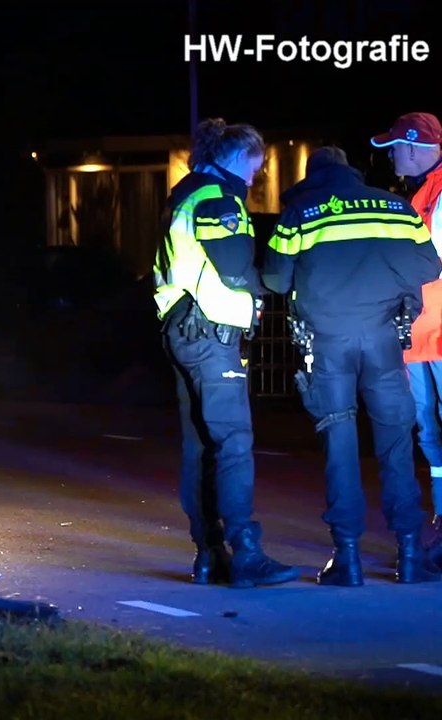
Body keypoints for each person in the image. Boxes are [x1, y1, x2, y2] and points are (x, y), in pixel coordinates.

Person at [263, 146, 442, 585]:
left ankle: (348, 559)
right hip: (384, 340)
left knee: (339, 445)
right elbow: (429, 264)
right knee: (396, 446)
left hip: (329, 346)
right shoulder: (395, 206)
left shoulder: (299, 213)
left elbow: (274, 279)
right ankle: (410, 556)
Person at [153, 117, 299, 588]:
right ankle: (246, 553)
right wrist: (260, 290)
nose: (255, 178)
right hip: (210, 333)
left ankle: (208, 554)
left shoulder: (184, 194)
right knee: (233, 443)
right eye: (255, 167)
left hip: (182, 329)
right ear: (238, 157)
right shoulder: (218, 198)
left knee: (199, 445)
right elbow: (234, 267)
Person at [370, 112, 442, 540]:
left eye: (395, 147)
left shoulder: (435, 194)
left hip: (434, 333)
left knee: (432, 431)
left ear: (414, 146)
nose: (391, 155)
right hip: (419, 335)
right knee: (429, 434)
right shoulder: (421, 195)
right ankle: (439, 516)